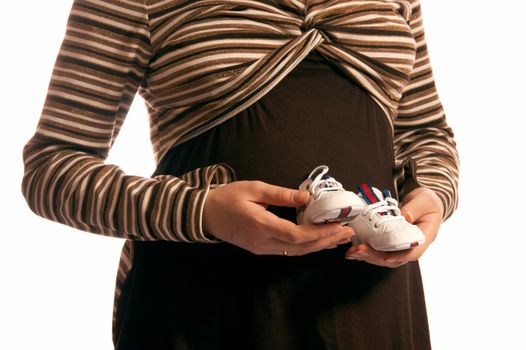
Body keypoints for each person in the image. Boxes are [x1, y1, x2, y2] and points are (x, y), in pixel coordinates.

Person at [21, 0, 459, 349]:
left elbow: (425, 132)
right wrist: (202, 211)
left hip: (373, 308)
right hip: (204, 310)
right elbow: (51, 166)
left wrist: (435, 195)